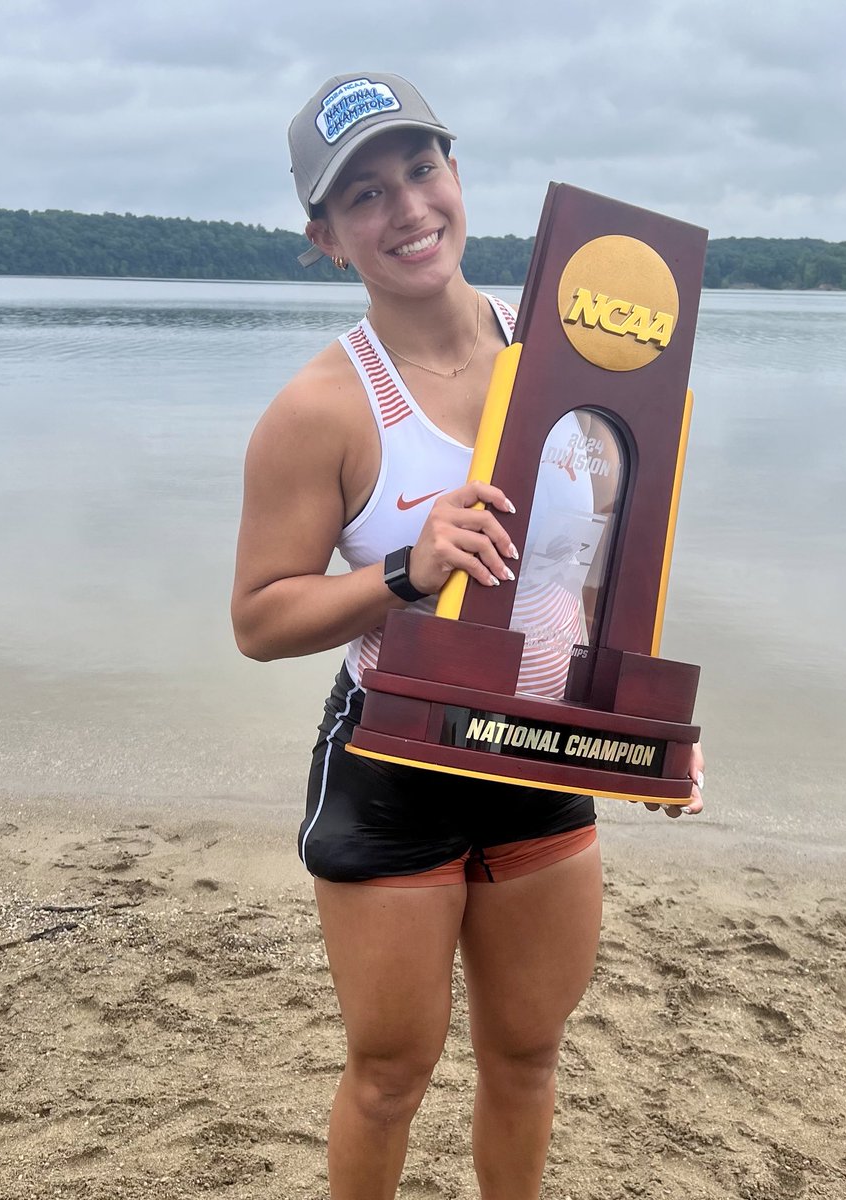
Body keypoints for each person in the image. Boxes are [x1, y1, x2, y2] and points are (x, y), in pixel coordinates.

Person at [232, 71, 704, 1200]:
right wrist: (406, 569)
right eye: (363, 197)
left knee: (529, 1058)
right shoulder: (324, 409)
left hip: (545, 754)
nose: (406, 210)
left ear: (457, 175)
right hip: (396, 762)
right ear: (326, 238)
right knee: (392, 1075)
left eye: (421, 170)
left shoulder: (578, 355)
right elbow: (258, 618)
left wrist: (646, 728)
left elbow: (599, 579)